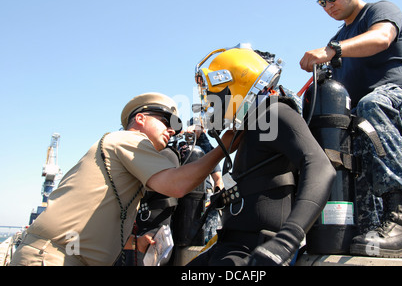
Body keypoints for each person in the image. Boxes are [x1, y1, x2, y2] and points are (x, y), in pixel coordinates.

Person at [11, 92, 238, 266]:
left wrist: (133, 242)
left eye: (176, 126)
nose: (172, 130)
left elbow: (95, 217)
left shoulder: (128, 162)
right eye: (166, 121)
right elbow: (176, 185)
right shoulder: (127, 139)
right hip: (54, 257)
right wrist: (224, 145)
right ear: (140, 118)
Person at [300, 0, 402, 258]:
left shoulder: (380, 10)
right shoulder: (340, 36)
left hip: (395, 100)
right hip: (361, 121)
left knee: (370, 105)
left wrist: (332, 50)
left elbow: (381, 38)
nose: (329, 5)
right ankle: (377, 232)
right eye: (322, 1)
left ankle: (401, 222)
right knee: (333, 133)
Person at [188, 44, 336, 266]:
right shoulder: (247, 128)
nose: (209, 101)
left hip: (254, 253)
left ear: (236, 84)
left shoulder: (275, 112)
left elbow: (320, 167)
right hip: (228, 248)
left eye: (213, 92)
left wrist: (286, 242)